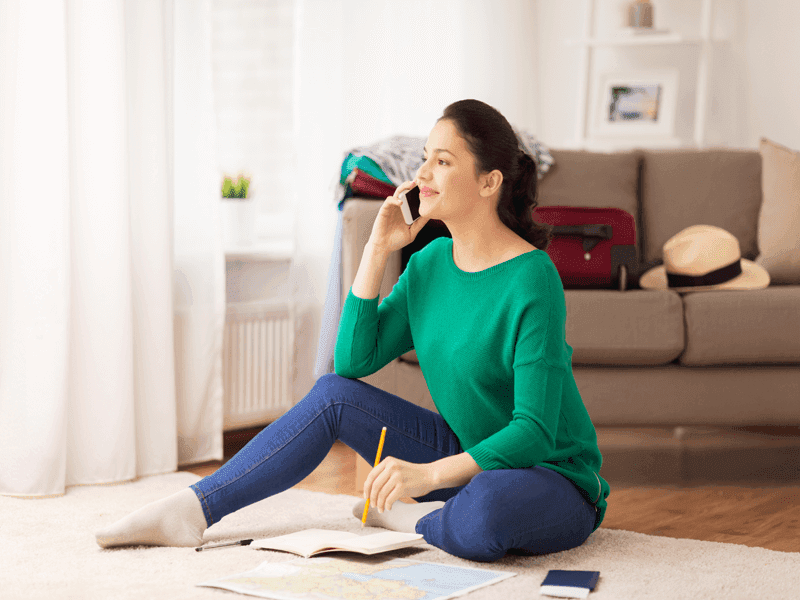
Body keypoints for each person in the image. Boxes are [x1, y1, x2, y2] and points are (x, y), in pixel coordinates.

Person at [95, 99, 611, 562]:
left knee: (487, 513)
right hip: (467, 453)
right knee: (333, 396)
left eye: (443, 161)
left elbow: (534, 431)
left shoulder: (532, 277)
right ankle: (193, 508)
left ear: (489, 182)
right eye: (425, 157)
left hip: (551, 476)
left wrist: (427, 476)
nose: (422, 173)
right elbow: (352, 363)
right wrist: (376, 249)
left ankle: (413, 519)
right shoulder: (430, 263)